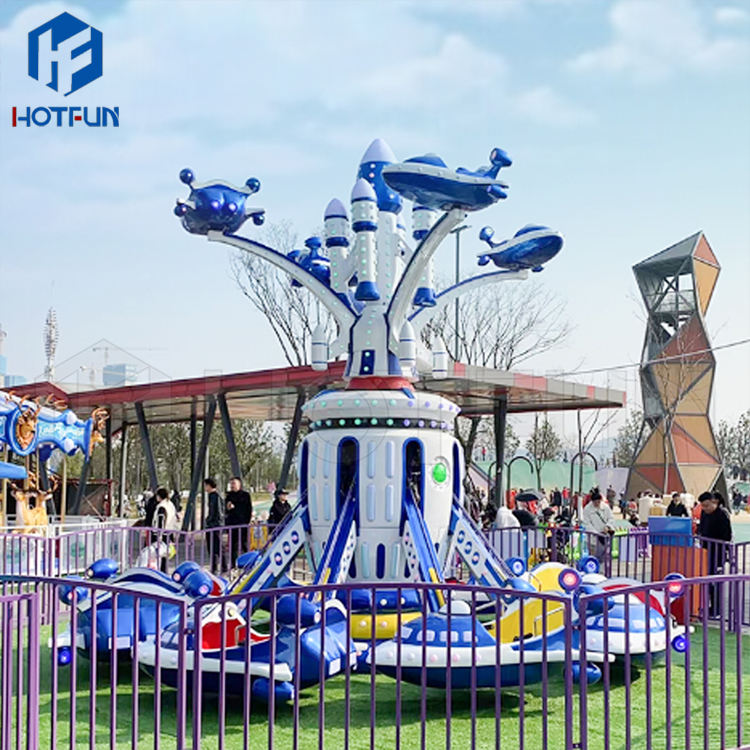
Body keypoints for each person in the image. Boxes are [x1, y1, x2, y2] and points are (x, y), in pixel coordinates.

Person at [697, 490, 733, 616]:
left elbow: (727, 535)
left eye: (707, 505)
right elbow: (702, 528)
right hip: (705, 551)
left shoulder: (722, 514)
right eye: (703, 506)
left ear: (714, 502)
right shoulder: (704, 513)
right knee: (706, 579)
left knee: (715, 581)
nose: (705, 508)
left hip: (718, 552)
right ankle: (707, 605)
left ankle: (717, 608)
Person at [583, 488, 616, 563]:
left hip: (605, 536)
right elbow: (586, 523)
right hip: (593, 537)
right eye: (595, 502)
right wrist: (596, 533)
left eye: (598, 502)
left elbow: (611, 518)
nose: (597, 504)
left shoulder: (605, 507)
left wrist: (608, 526)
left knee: (604, 557)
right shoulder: (587, 509)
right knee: (594, 557)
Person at [225, 477, 253, 563]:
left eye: (234, 483)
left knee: (245, 545)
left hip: (243, 524)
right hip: (232, 524)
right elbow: (225, 510)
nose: (232, 486)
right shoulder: (229, 496)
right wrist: (228, 507)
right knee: (233, 546)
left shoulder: (245, 495)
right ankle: (234, 564)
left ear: (239, 484)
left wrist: (247, 521)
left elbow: (249, 509)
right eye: (231, 484)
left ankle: (248, 563)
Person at [153, 487, 180, 572]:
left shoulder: (162, 506)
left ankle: (160, 572)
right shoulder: (170, 504)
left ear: (159, 496)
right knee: (165, 556)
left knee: (159, 555)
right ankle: (164, 571)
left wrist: (159, 534)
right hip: (169, 532)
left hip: (162, 534)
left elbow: (161, 520)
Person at [204, 477, 225, 573]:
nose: (205, 488)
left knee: (218, 546)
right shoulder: (212, 496)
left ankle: (223, 566)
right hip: (213, 525)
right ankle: (214, 567)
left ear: (209, 485)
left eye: (205, 485)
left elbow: (217, 512)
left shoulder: (216, 496)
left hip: (215, 525)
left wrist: (210, 521)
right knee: (212, 547)